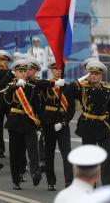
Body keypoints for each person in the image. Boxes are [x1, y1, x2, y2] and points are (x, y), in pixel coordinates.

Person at [2, 59, 64, 190]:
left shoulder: (32, 87)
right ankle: (16, 179)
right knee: (16, 153)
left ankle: (35, 172)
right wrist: (15, 86)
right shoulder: (10, 86)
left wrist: (39, 124)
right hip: (15, 122)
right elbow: (6, 99)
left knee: (33, 150)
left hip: (29, 122)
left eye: (25, 71)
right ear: (15, 73)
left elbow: (37, 107)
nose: (23, 73)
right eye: (20, 71)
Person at [69, 60, 110, 186]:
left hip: (103, 126)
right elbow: (68, 91)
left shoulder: (107, 89)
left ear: (101, 76)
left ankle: (107, 184)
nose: (94, 76)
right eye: (91, 73)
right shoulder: (82, 88)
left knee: (106, 157)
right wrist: (80, 80)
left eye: (96, 74)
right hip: (88, 126)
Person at [42, 61, 75, 191]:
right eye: (56, 69)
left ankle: (69, 182)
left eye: (61, 69)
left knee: (67, 153)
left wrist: (63, 122)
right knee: (49, 154)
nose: (59, 71)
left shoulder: (68, 88)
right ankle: (51, 181)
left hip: (62, 123)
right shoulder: (47, 85)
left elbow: (71, 110)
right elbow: (40, 104)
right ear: (51, 70)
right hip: (49, 124)